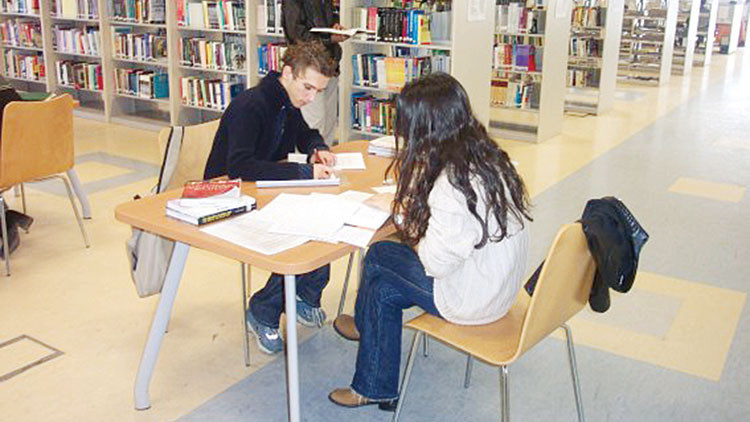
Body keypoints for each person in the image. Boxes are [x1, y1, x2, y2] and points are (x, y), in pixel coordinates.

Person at [328, 73, 533, 410]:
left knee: (379, 254)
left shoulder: (452, 183)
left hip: (472, 298)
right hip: (499, 285)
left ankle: (368, 336)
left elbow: (435, 263)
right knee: (382, 290)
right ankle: (374, 379)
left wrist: (405, 217)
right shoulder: (486, 156)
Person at [203, 40, 338, 355]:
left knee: (327, 220)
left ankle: (306, 293)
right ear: (288, 73)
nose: (310, 98)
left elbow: (304, 133)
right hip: (229, 196)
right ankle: (264, 309)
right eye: (307, 88)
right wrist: (304, 172)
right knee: (303, 234)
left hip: (264, 187)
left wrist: (317, 148)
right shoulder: (252, 105)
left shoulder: (287, 102)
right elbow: (240, 167)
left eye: (318, 91)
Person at [282, 0, 348, 146]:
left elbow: (326, 21)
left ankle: (324, 156)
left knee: (329, 123)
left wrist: (335, 27)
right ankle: (310, 159)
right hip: (309, 69)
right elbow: (296, 35)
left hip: (329, 65)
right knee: (314, 123)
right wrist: (330, 38)